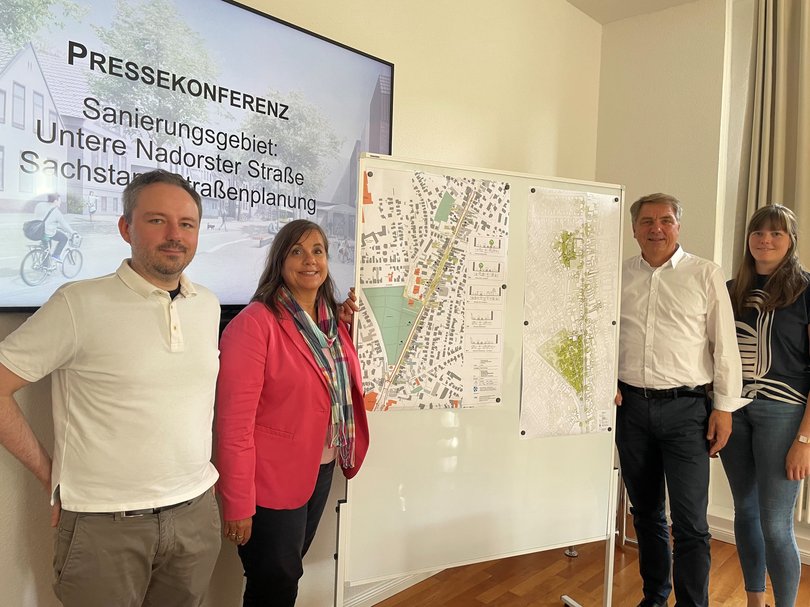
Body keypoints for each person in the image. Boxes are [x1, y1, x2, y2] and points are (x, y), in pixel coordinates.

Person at [0, 170, 221, 607]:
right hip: (105, 526)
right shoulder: (78, 304)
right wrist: (51, 475)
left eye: (187, 224)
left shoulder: (208, 305)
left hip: (194, 516)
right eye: (157, 220)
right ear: (126, 227)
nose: (175, 235)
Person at [216, 219, 370, 607]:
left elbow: (336, 382)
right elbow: (233, 426)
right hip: (270, 480)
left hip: (319, 469)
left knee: (287, 571)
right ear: (280, 260)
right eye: (297, 251)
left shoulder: (331, 323)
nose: (309, 260)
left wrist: (348, 322)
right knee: (275, 580)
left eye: (317, 250)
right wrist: (237, 503)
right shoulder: (254, 324)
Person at [615, 193, 746, 607]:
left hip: (687, 411)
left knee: (690, 522)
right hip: (630, 409)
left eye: (666, 220)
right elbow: (603, 337)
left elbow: (725, 346)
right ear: (634, 228)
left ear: (678, 226)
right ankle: (654, 596)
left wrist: (724, 409)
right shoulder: (618, 276)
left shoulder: (705, 274)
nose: (656, 228)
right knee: (646, 513)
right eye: (647, 221)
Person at [721, 204, 810, 607]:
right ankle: (755, 601)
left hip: (785, 414)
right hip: (734, 411)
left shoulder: (806, 291)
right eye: (759, 232)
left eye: (776, 233)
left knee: (776, 524)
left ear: (791, 241)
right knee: (746, 510)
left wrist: (805, 439)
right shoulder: (730, 290)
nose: (766, 240)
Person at [34, 193, 76, 261]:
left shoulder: (40, 205)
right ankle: (56, 256)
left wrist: (54, 225)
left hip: (38, 230)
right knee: (64, 238)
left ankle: (44, 265)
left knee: (46, 249)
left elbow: (41, 218)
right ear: (55, 201)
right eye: (59, 200)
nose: (61, 202)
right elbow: (64, 224)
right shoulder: (56, 212)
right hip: (47, 232)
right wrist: (72, 232)